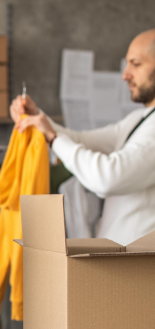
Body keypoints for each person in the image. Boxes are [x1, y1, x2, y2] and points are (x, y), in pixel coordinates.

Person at [12, 29, 155, 245]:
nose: (125, 75)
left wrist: (52, 138)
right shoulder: (141, 118)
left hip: (141, 270)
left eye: (135, 64)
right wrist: (37, 118)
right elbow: (82, 140)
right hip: (124, 264)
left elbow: (107, 178)